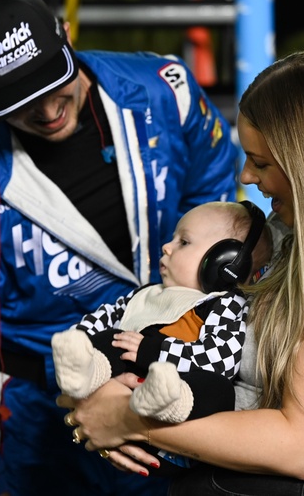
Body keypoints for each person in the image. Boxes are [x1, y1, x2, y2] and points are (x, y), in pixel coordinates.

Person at [61, 51, 304, 495]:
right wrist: (97, 387)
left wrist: (127, 420)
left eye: (262, 163)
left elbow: (301, 446)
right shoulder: (293, 235)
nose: (247, 176)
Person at [0, 0, 239, 496]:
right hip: (42, 416)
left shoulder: (165, 91)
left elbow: (220, 206)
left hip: (179, 390)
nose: (46, 109)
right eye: (19, 99)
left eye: (51, 81)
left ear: (67, 36)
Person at [52, 200, 272, 475]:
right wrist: (81, 340)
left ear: (224, 263)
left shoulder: (224, 304)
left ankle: (170, 400)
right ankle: (85, 372)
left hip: (174, 426)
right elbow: (106, 317)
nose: (167, 247)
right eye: (172, 239)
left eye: (184, 242)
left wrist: (153, 351)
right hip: (118, 406)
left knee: (219, 389)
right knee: (110, 336)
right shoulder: (147, 294)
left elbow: (220, 360)